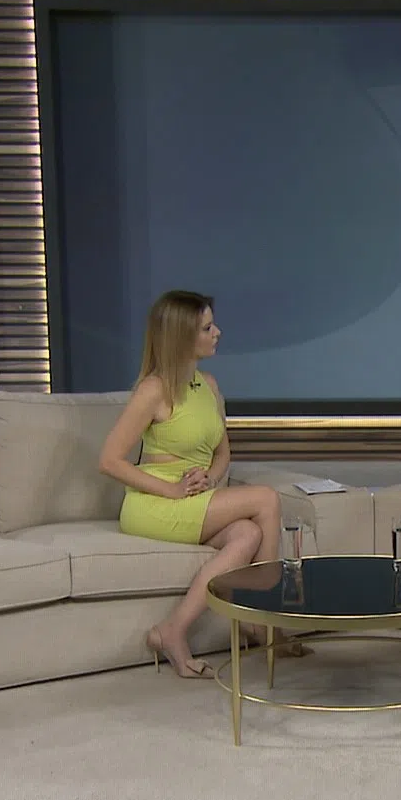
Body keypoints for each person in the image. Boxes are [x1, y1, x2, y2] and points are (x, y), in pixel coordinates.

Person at [99, 290, 284, 678]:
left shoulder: (209, 385)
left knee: (248, 534)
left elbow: (223, 454)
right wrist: (171, 489)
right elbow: (109, 460)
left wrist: (210, 479)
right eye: (206, 328)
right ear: (181, 336)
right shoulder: (154, 390)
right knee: (266, 499)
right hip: (154, 502)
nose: (218, 333)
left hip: (195, 496)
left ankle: (172, 629)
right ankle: (263, 619)